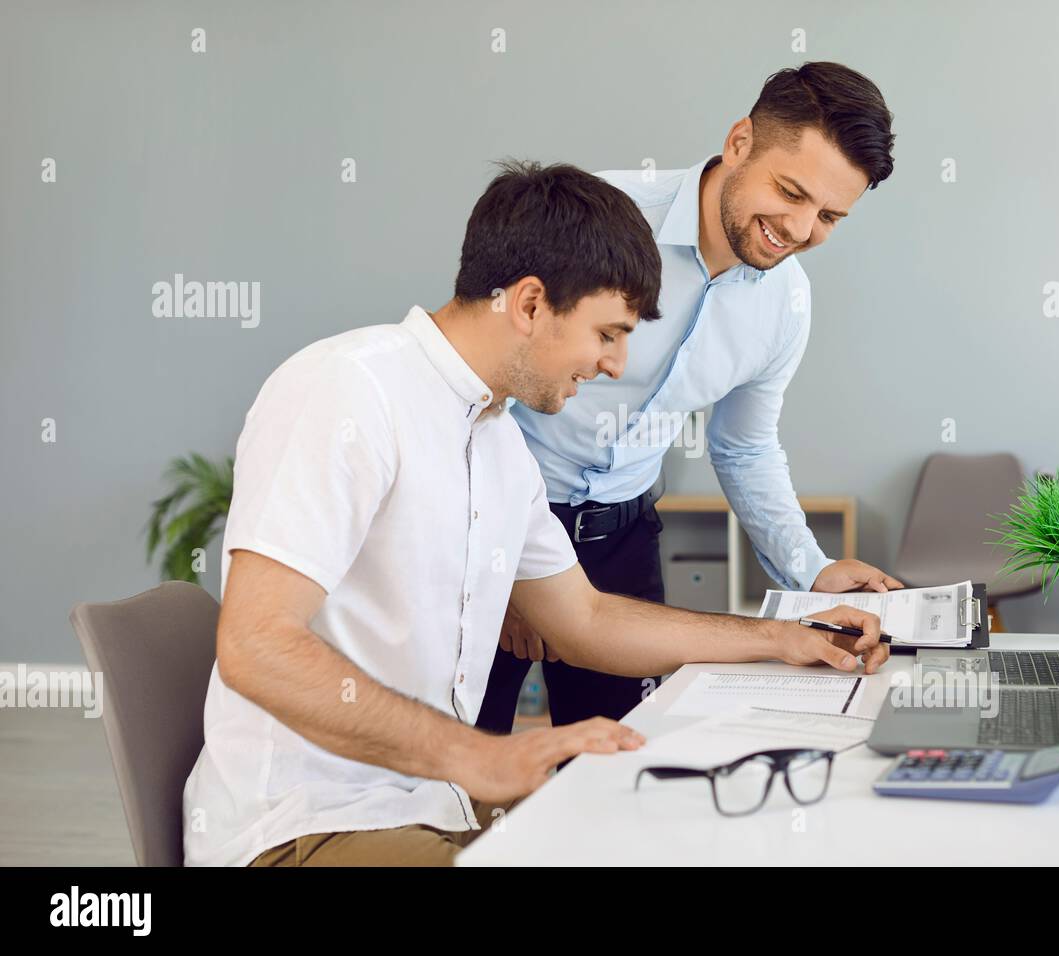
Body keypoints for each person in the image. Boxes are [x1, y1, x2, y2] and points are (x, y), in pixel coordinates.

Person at [182, 160, 888, 867]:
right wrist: (476, 755)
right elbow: (255, 644)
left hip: (434, 806)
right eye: (607, 334)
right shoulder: (348, 390)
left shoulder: (495, 440)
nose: (615, 365)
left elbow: (585, 618)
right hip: (307, 826)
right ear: (528, 304)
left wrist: (780, 636)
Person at [479, 62, 903, 735]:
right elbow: (482, 382)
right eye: (790, 192)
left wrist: (812, 571)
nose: (798, 229)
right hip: (501, 524)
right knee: (463, 762)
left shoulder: (786, 303)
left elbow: (744, 444)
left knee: (621, 761)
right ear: (740, 142)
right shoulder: (602, 219)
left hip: (622, 543)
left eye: (828, 216)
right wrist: (495, 557)